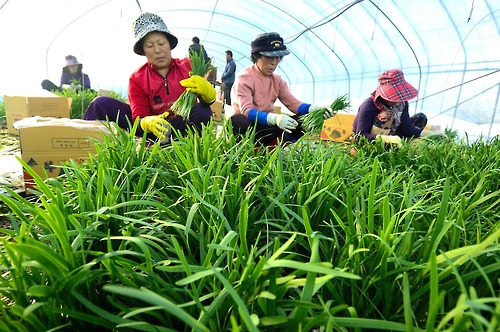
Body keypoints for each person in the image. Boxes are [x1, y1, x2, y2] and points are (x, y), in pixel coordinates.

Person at [83, 12, 216, 141]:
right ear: (143, 51)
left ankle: (185, 145)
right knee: (100, 104)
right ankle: (84, 143)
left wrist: (208, 95)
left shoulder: (188, 67)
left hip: (180, 126)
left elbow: (204, 101)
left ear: (169, 44)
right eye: (150, 46)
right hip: (152, 130)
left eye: (161, 43)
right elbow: (139, 117)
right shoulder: (137, 78)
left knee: (202, 111)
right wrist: (147, 122)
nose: (157, 50)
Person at [230, 32, 335, 147]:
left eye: (278, 57)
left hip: (268, 128)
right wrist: (274, 118)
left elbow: (294, 104)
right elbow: (247, 111)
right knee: (238, 121)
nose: (274, 62)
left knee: (302, 119)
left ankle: (282, 145)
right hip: (249, 127)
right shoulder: (245, 78)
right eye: (269, 57)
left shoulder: (277, 80)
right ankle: (243, 148)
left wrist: (314, 110)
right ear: (257, 56)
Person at [352, 69, 434, 146]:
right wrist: (383, 139)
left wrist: (426, 133)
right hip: (371, 141)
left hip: (394, 134)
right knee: (387, 115)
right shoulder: (368, 106)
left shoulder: (402, 103)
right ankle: (384, 148)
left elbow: (406, 127)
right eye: (394, 96)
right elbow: (360, 136)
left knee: (420, 117)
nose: (398, 100)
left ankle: (405, 145)